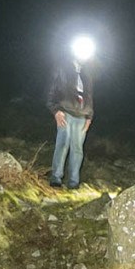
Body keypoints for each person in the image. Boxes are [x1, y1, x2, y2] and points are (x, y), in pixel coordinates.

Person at [47, 37, 95, 189]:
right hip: (65, 112)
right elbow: (51, 92)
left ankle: (74, 182)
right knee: (62, 144)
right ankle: (56, 178)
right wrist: (56, 111)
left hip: (82, 116)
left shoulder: (87, 74)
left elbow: (89, 96)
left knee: (77, 149)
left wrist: (89, 116)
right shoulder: (62, 68)